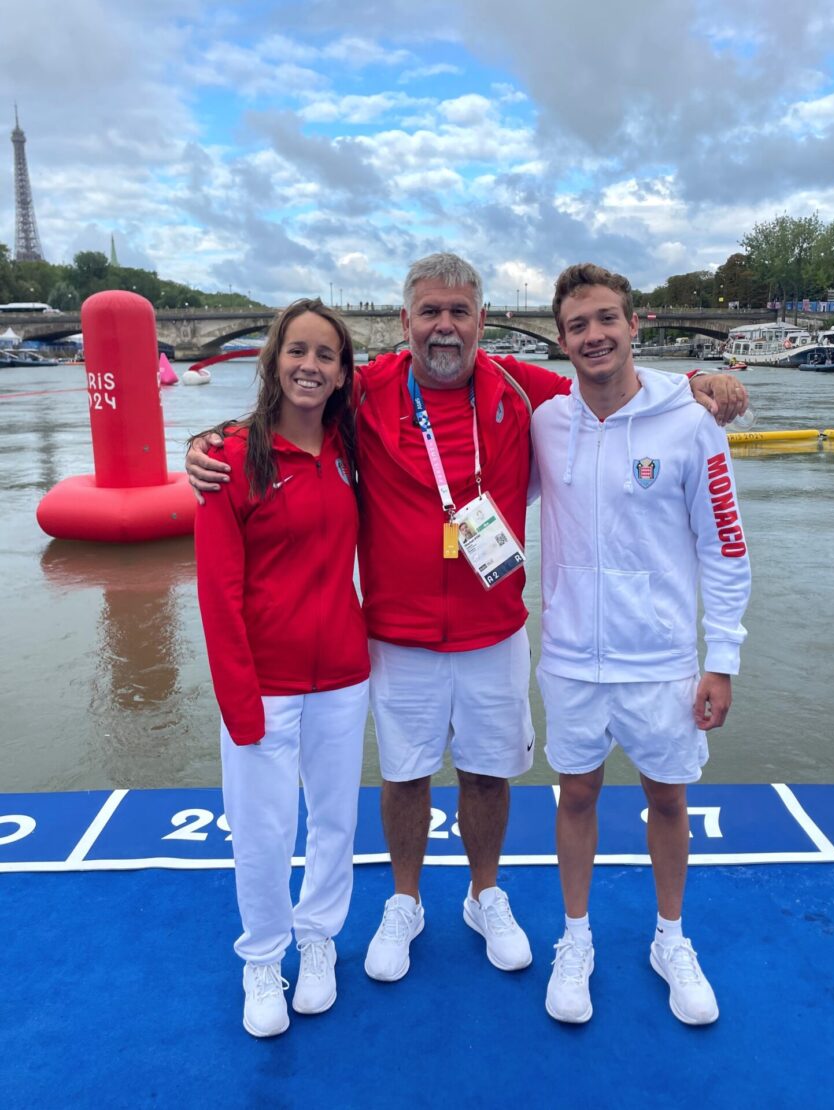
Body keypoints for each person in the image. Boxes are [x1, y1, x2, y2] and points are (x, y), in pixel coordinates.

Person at [187, 254, 749, 986]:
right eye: (429, 312)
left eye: (458, 312)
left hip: (494, 631)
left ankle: (485, 893)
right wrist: (205, 446)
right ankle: (405, 900)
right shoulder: (367, 389)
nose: (443, 326)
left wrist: (698, 385)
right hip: (397, 635)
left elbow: (611, 383)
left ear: (483, 322)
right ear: (405, 323)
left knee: (488, 774)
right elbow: (293, 406)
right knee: (405, 776)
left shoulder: (526, 388)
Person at [531, 263, 750, 1026]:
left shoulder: (688, 423)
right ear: (560, 342)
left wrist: (721, 658)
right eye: (577, 325)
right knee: (577, 794)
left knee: (666, 798)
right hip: (568, 656)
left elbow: (724, 545)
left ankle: (669, 937)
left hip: (659, 660)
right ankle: (576, 937)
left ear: (634, 326)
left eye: (605, 320)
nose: (593, 335)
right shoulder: (543, 422)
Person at [195, 298, 370, 1038]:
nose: (309, 365)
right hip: (263, 682)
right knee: (263, 830)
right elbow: (215, 591)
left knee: (334, 820)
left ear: (340, 374)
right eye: (296, 351)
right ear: (273, 360)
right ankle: (263, 956)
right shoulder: (229, 457)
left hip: (342, 674)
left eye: (324, 355)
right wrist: (238, 700)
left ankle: (318, 937)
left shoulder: (350, 447)